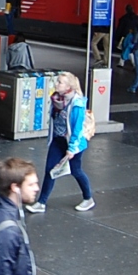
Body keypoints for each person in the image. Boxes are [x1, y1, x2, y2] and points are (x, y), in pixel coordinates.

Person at [27, 72, 94, 213]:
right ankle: (41, 203)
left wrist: (72, 148)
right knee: (50, 170)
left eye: (60, 82)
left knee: (76, 171)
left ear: (69, 86)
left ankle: (88, 198)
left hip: (73, 143)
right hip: (58, 140)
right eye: (57, 81)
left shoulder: (77, 103)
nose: (56, 84)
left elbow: (77, 129)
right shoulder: (57, 99)